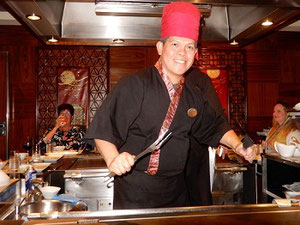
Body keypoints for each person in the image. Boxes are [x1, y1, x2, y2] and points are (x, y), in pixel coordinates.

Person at [85, 1, 255, 209]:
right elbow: (104, 128)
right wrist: (113, 159)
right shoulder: (135, 83)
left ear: (195, 53)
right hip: (136, 189)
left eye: (189, 46)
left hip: (176, 190)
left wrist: (238, 146)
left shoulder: (193, 93)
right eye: (175, 44)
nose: (182, 52)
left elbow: (214, 127)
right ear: (160, 47)